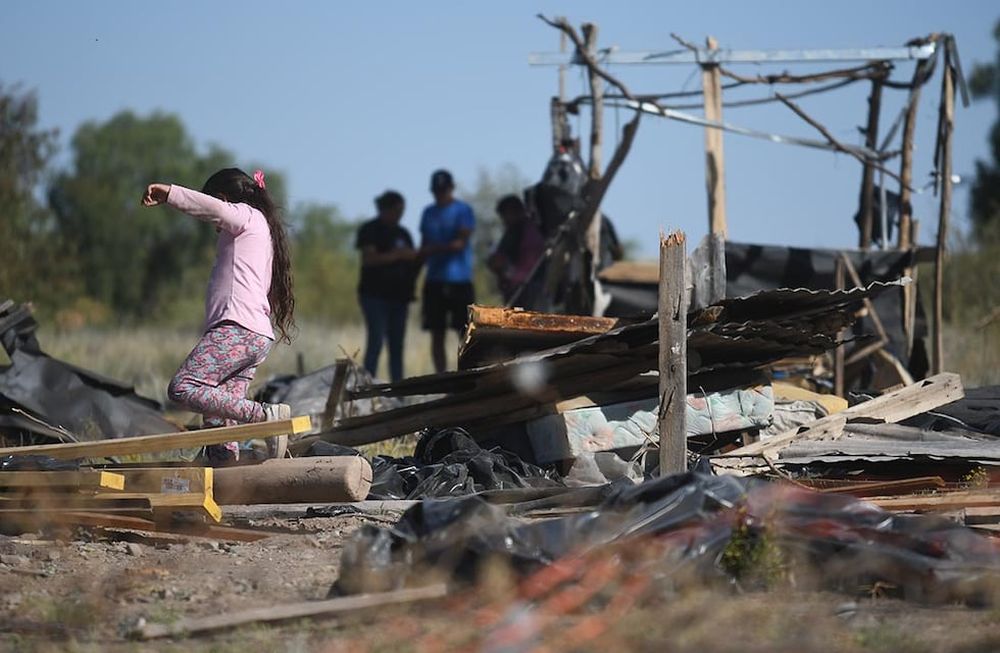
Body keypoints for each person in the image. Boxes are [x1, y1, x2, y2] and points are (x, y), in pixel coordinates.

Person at [142, 168, 295, 465]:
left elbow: (211, 208)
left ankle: (263, 416)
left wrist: (170, 193)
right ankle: (224, 468)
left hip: (237, 328)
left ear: (224, 199)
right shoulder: (259, 230)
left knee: (184, 386)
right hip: (253, 333)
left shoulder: (244, 216)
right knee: (218, 415)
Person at [355, 190, 417, 382]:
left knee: (397, 347)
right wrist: (397, 255)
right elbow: (369, 258)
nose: (400, 214)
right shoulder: (370, 230)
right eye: (397, 210)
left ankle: (398, 391)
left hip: (399, 298)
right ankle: (368, 386)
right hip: (374, 296)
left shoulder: (403, 233)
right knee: (376, 342)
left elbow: (413, 259)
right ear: (385, 209)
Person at [419, 169, 475, 373]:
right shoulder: (428, 213)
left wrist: (435, 248)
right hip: (434, 280)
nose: (440, 194)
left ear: (451, 188)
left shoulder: (463, 210)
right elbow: (424, 246)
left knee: (465, 331)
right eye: (437, 190)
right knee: (436, 331)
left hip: (459, 280)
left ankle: (465, 373)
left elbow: (460, 242)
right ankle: (442, 377)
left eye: (443, 189)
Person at [487, 194, 545, 305]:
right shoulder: (514, 232)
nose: (504, 220)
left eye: (505, 215)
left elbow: (529, 264)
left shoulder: (525, 232)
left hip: (527, 288)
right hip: (517, 288)